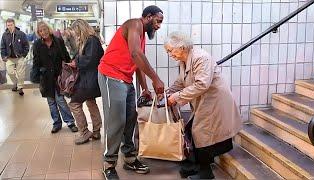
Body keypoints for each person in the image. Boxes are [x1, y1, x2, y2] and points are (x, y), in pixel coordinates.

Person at [98, 5, 165, 179]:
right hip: (111, 75)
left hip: (126, 79)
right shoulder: (135, 24)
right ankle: (109, 164)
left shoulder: (142, 36)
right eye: (158, 21)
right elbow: (136, 53)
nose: (159, 26)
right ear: (148, 17)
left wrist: (144, 88)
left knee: (130, 118)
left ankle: (129, 158)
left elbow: (138, 63)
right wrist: (156, 79)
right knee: (116, 120)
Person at [164, 32, 242, 179]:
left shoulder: (201, 57)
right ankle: (196, 166)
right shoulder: (184, 60)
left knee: (201, 132)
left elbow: (202, 84)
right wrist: (168, 92)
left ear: (181, 47)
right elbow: (181, 81)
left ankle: (205, 173)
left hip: (215, 101)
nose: (169, 54)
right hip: (205, 101)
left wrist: (176, 97)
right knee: (195, 131)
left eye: (170, 50)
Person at [33, 21, 78, 134]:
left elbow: (65, 55)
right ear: (39, 33)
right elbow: (36, 61)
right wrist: (36, 76)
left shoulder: (58, 41)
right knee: (51, 101)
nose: (43, 32)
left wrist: (70, 64)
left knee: (60, 100)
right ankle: (56, 123)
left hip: (59, 75)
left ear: (49, 29)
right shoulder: (37, 45)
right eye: (41, 31)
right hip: (46, 77)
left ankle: (70, 122)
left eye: (45, 29)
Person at [67, 19, 103, 145]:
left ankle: (84, 132)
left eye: (76, 31)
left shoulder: (91, 40)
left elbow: (90, 60)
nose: (75, 34)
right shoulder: (90, 40)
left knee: (74, 104)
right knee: (91, 102)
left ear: (80, 29)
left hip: (89, 80)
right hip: (91, 79)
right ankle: (97, 130)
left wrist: (76, 63)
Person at [0, 18, 29, 95]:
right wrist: (3, 56)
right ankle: (16, 83)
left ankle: (20, 88)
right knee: (10, 72)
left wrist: (23, 55)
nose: (10, 27)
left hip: (19, 57)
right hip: (9, 58)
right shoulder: (5, 35)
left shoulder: (21, 34)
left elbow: (26, 45)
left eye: (11, 25)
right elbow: (2, 47)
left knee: (21, 73)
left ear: (14, 25)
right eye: (8, 25)